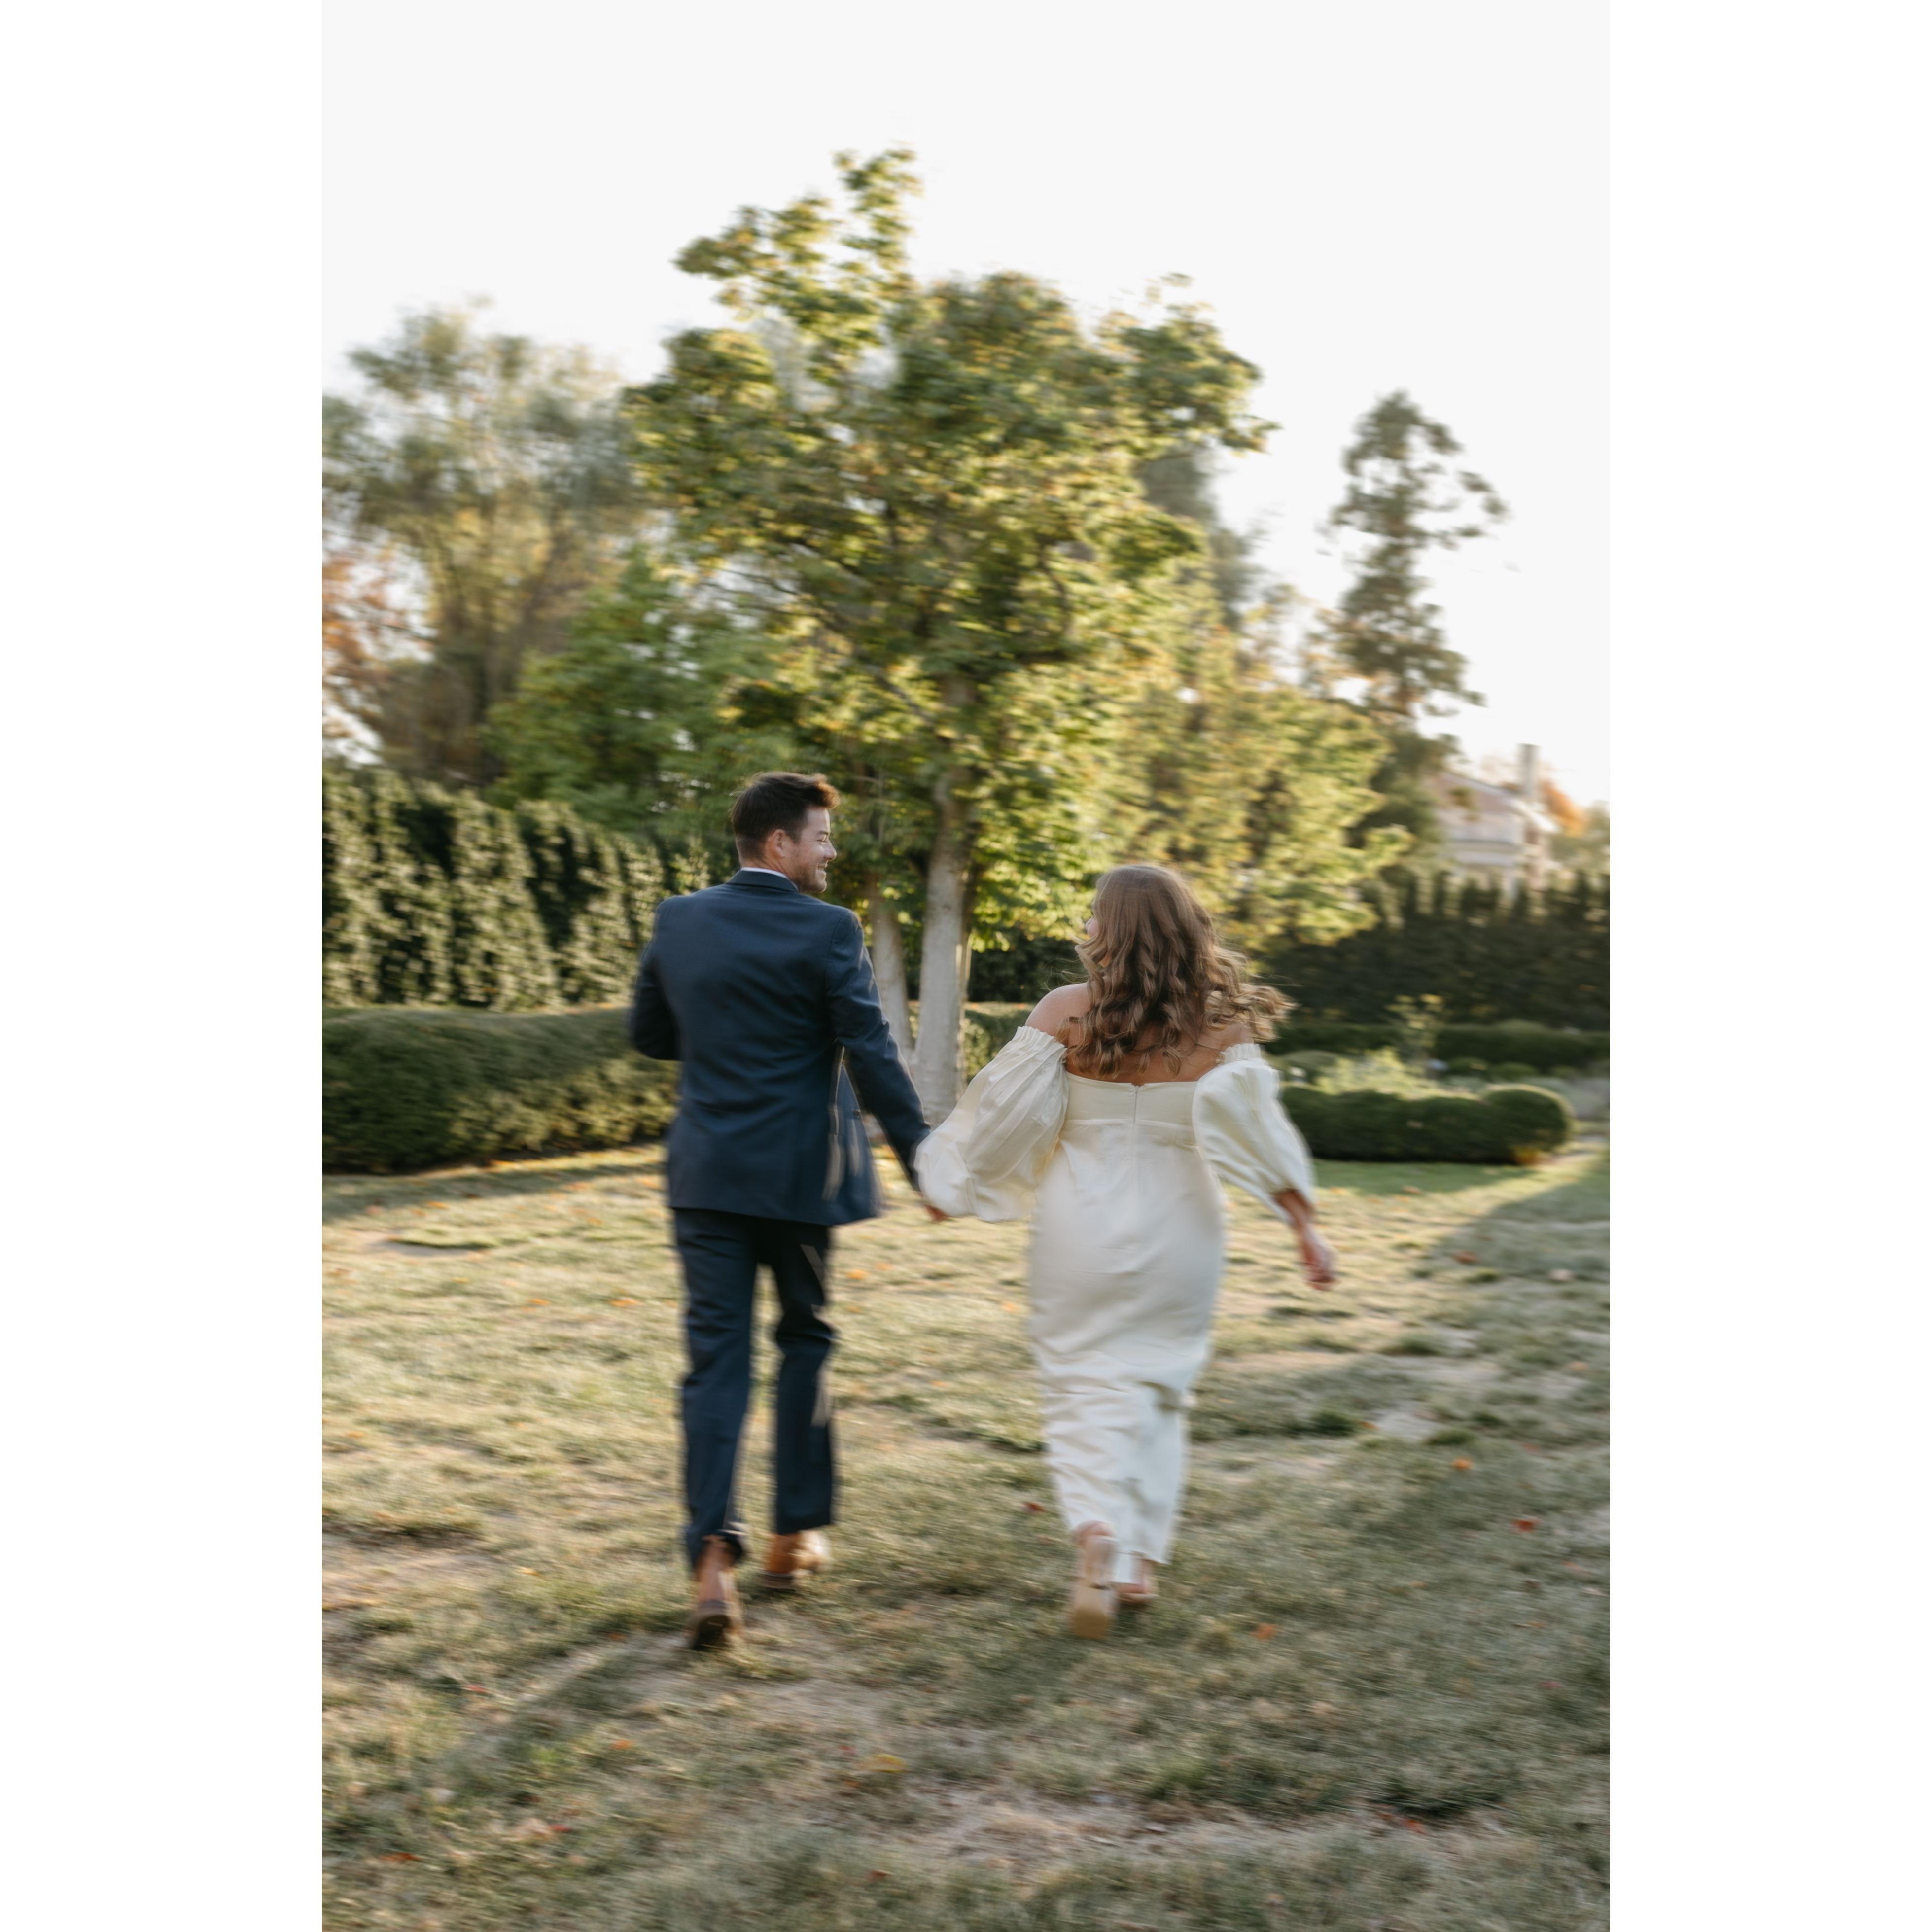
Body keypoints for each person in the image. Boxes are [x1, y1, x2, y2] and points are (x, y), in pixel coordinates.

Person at [915, 864, 1336, 1639]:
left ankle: (1097, 1528)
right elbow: (1262, 1134)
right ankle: (1137, 1560)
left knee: (1077, 1376)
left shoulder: (1066, 1012)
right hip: (1183, 1225)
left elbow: (1003, 1114)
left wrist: (954, 1185)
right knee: (1159, 1383)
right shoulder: (1221, 1027)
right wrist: (1302, 1223)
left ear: (1108, 930)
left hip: (1079, 1222)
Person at [629, 772, 938, 1649]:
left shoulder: (678, 919)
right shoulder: (828, 928)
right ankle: (792, 1538)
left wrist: (724, 1036)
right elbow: (870, 1049)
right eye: (822, 838)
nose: (830, 853)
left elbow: (650, 1034)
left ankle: (710, 1561)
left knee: (715, 1364)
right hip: (802, 1176)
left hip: (707, 1175)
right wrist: (923, 1161)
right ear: (780, 844)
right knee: (804, 1339)